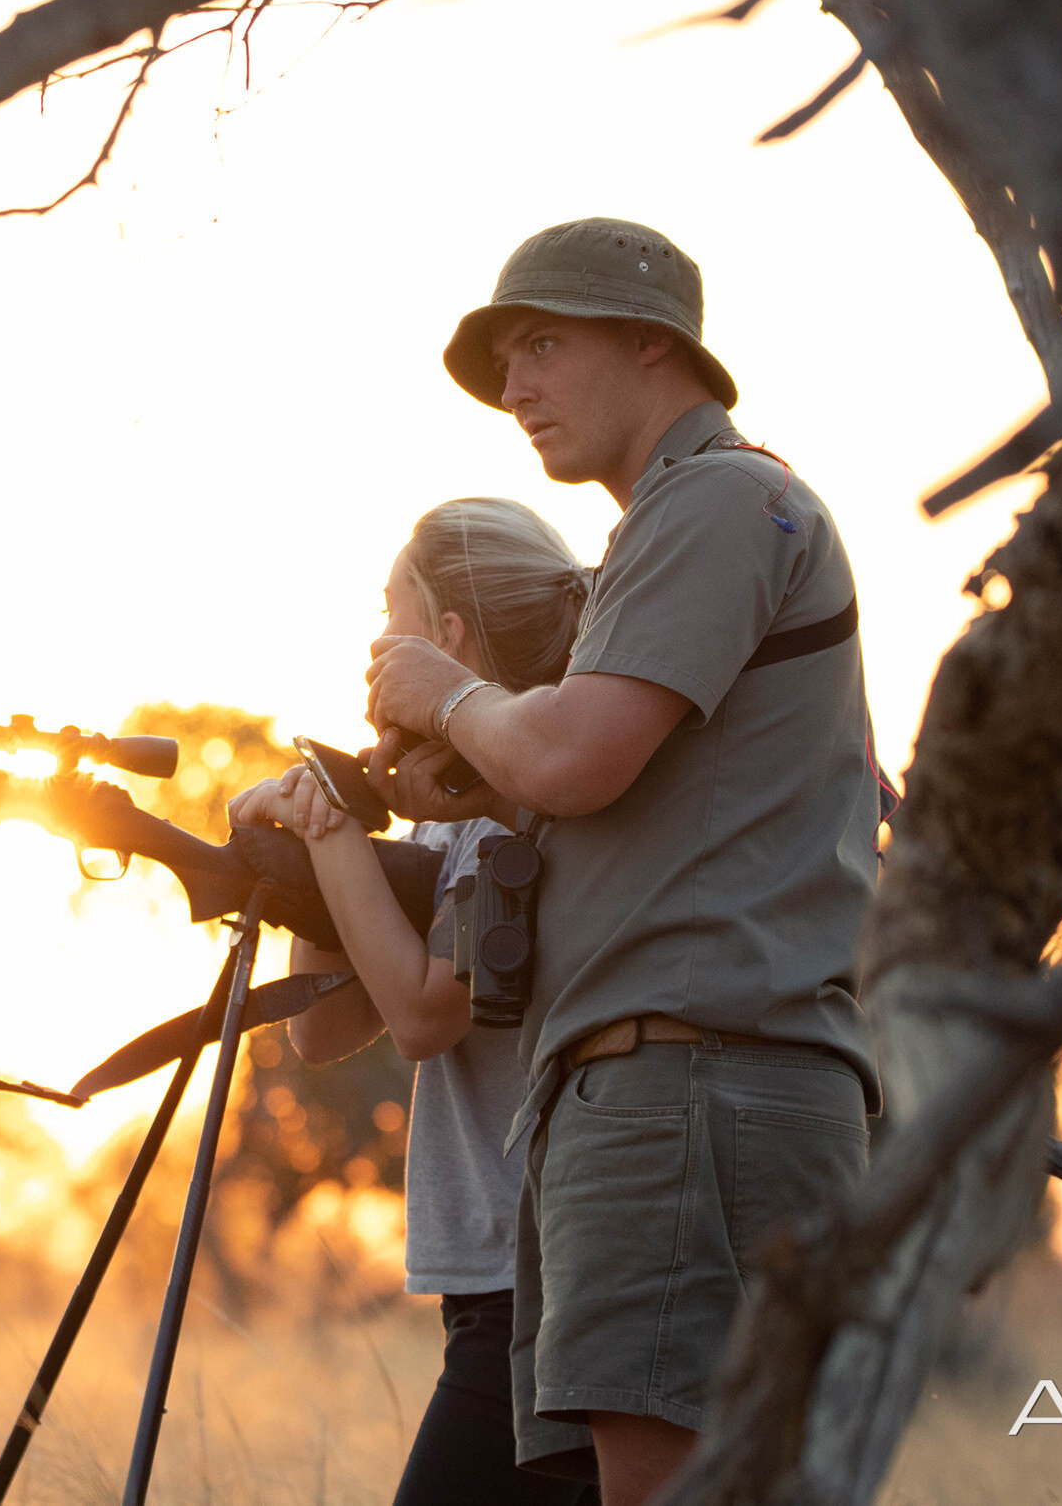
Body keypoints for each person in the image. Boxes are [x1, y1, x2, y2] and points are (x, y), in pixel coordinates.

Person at [362, 217, 885, 1505]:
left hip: (688, 1085)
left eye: (541, 345)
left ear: (653, 344)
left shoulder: (714, 498)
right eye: (504, 363)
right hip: (665, 1091)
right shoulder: (680, 527)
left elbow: (576, 758)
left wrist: (443, 693)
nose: (514, 389)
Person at [229, 497, 601, 1506]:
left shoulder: (510, 822)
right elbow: (321, 1027)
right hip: (492, 1286)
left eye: (389, 611)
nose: (371, 638)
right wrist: (323, 855)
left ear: (444, 638)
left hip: (540, 1285)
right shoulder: (441, 831)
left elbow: (426, 1013)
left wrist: (332, 841)